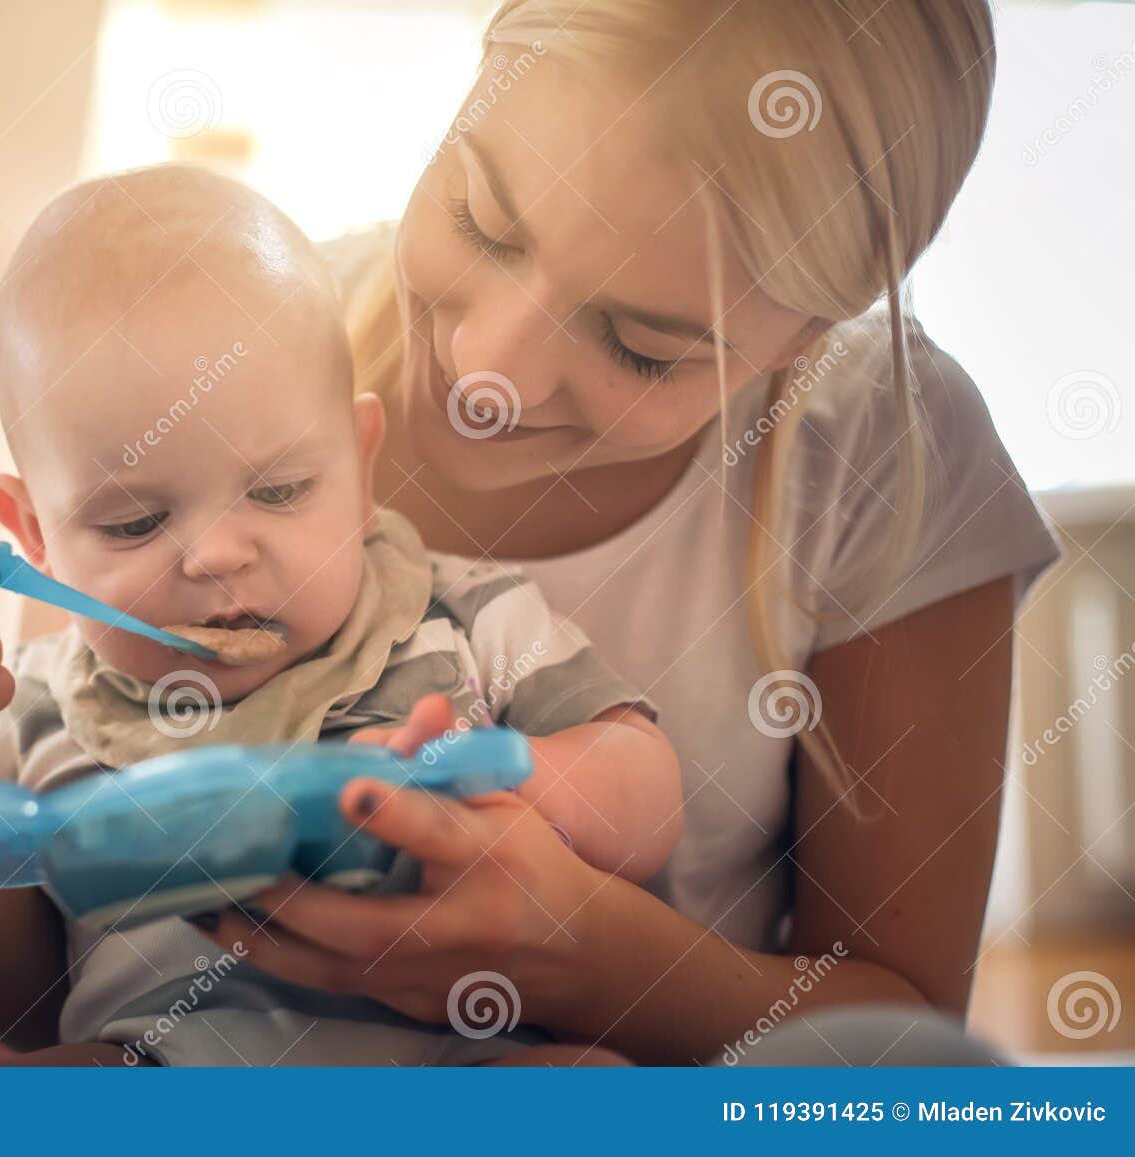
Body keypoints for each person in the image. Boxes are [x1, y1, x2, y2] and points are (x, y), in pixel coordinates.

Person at [180, 0, 1058, 1065]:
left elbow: (903, 1053)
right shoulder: (234, 348)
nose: (490, 374)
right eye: (481, 218)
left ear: (804, 339)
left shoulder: (873, 450)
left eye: (643, 345)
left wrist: (593, 957)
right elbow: (25, 963)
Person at [0, 164, 680, 1066]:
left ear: (358, 469)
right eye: (134, 520)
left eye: (278, 490)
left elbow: (645, 796)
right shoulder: (28, 705)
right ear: (33, 532)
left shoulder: (465, 618)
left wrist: (516, 776)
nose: (217, 554)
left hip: (468, 1053)